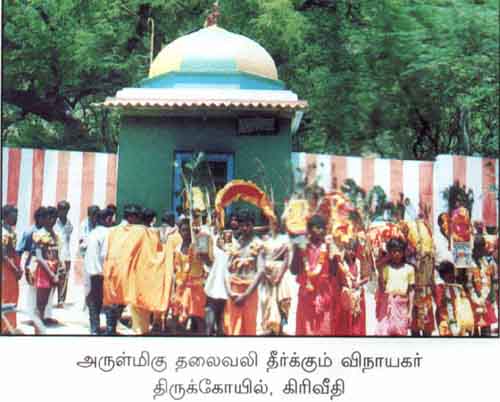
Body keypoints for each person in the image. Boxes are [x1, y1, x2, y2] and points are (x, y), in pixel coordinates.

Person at [290, 214, 336, 336]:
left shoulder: (328, 247)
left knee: (324, 331)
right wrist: (296, 250)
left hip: (324, 296)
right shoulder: (302, 247)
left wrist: (333, 254)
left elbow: (334, 273)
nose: (321, 230)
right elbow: (294, 270)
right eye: (318, 227)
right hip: (306, 296)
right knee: (306, 331)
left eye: (323, 228)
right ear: (309, 230)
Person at [223, 210, 264, 336]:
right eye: (242, 225)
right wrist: (230, 292)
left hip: (249, 292)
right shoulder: (234, 245)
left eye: (248, 225)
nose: (245, 228)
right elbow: (225, 271)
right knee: (234, 329)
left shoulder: (258, 245)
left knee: (249, 328)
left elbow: (260, 272)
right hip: (234, 292)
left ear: (253, 225)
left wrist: (246, 295)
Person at [172, 218, 213, 334]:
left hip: (197, 287)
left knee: (199, 317)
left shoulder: (199, 245)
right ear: (179, 231)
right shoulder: (177, 248)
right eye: (183, 230)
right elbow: (175, 269)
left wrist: (203, 255)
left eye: (188, 230)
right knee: (179, 318)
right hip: (181, 287)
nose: (186, 233)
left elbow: (209, 263)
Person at [375, 237, 415, 336]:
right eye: (393, 251)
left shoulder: (409, 269)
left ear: (403, 252)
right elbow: (382, 288)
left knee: (400, 333)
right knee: (384, 333)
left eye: (399, 251)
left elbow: (411, 291)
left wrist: (410, 312)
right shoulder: (386, 268)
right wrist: (380, 269)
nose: (397, 254)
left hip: (402, 307)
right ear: (389, 253)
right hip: (387, 306)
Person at [257, 220, 291, 335]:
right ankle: (269, 329)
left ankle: (281, 328)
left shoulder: (284, 239)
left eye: (275, 223)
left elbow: (286, 259)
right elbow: (261, 258)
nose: (274, 225)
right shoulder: (264, 240)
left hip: (280, 273)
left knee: (283, 300)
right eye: (271, 223)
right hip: (267, 274)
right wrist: (266, 274)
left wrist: (278, 276)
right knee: (266, 300)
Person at [84, 208, 114, 335]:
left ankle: (94, 329)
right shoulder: (110, 233)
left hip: (93, 273)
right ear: (107, 219)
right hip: (106, 273)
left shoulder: (93, 233)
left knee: (94, 303)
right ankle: (110, 329)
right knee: (109, 303)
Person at [33, 206, 61, 325]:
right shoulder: (40, 234)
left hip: (54, 269)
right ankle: (38, 325)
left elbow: (57, 254)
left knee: (47, 300)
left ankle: (41, 321)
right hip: (44, 270)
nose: (53, 220)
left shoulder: (55, 235)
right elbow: (39, 257)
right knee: (41, 301)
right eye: (50, 217)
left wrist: (59, 269)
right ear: (44, 218)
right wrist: (51, 274)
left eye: (55, 217)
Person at [334, 239, 367, 336]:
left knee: (357, 326)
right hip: (345, 298)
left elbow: (367, 277)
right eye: (348, 249)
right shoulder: (341, 264)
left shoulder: (359, 262)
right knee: (344, 326)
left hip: (358, 297)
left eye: (353, 250)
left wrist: (358, 283)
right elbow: (338, 281)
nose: (351, 252)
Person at [468, 236, 497, 336]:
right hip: (472, 300)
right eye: (481, 248)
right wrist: (474, 297)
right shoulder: (468, 262)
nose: (483, 251)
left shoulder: (485, 261)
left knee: (486, 330)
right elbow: (466, 283)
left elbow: (490, 280)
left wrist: (489, 298)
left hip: (485, 299)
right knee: (474, 331)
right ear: (475, 248)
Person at [1, 205, 23, 333]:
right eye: (13, 215)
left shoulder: (11, 232)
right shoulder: (3, 233)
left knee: (12, 297)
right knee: (4, 297)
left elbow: (13, 252)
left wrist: (18, 268)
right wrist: (15, 269)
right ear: (5, 216)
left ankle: (9, 326)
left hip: (12, 269)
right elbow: (3, 255)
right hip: (5, 269)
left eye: (17, 215)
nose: (16, 218)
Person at [204, 235, 230, 336]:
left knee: (220, 316)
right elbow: (207, 261)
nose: (222, 241)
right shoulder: (214, 251)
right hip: (214, 286)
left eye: (223, 239)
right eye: (219, 239)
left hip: (225, 287)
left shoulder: (229, 252)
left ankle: (219, 331)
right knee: (211, 312)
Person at [54, 200, 73, 307]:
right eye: (61, 209)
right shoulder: (54, 222)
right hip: (55, 254)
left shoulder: (69, 223)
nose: (63, 212)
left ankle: (61, 300)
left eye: (66, 210)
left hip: (66, 254)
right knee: (54, 276)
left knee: (64, 278)